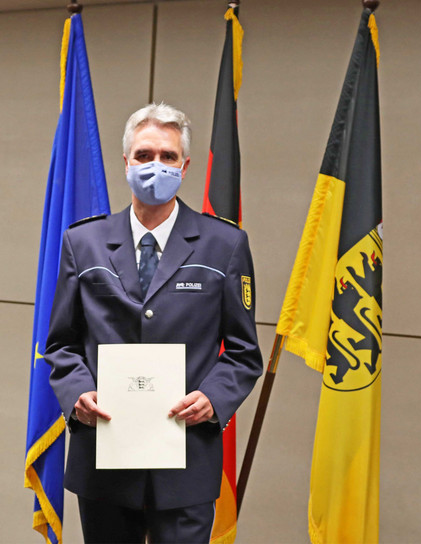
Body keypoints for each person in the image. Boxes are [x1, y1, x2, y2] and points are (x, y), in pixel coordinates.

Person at [46, 103, 263, 543]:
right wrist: (77, 394)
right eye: (144, 155)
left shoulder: (225, 245)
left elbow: (243, 353)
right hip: (104, 458)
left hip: (185, 459)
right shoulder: (83, 243)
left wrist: (213, 398)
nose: (155, 166)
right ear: (126, 162)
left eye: (167, 157)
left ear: (185, 166)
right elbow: (61, 344)